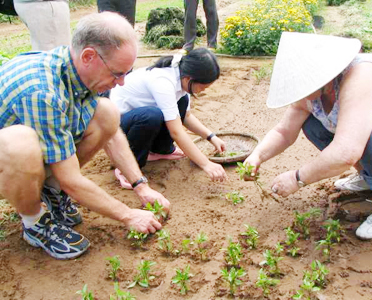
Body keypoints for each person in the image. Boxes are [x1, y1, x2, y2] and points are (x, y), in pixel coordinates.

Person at [0, 12, 170, 260]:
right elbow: (72, 179)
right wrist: (128, 215)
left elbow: (111, 135)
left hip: (27, 153)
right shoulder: (42, 91)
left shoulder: (76, 70)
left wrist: (141, 187)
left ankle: (52, 191)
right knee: (20, 144)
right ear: (89, 56)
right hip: (7, 162)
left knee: (107, 113)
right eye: (117, 73)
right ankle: (35, 223)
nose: (121, 83)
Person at [245, 32, 372, 240]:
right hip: (370, 125)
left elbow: (347, 152)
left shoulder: (359, 77)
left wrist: (297, 178)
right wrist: (257, 156)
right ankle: (370, 177)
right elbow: (283, 131)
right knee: (312, 125)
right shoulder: (311, 93)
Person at [110, 48, 228, 185]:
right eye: (203, 87)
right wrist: (206, 164)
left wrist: (211, 137)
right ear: (189, 78)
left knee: (180, 103)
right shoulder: (163, 81)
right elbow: (176, 132)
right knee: (151, 116)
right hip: (115, 127)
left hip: (137, 119)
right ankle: (128, 167)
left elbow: (186, 117)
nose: (202, 91)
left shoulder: (182, 80)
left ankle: (159, 150)